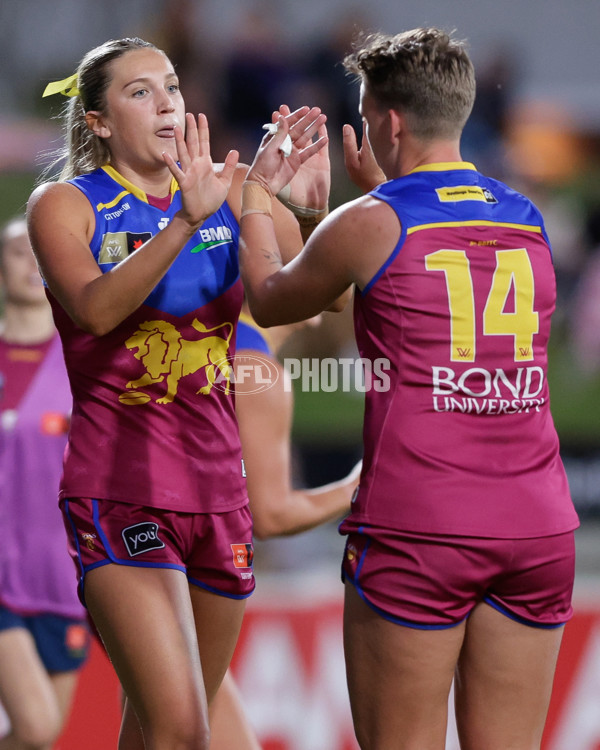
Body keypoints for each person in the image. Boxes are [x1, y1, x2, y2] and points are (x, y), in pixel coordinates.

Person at [238, 27, 579, 750]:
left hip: (421, 528)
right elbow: (435, 253)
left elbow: (270, 300)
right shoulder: (526, 216)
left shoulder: (368, 223)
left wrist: (258, 198)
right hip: (537, 528)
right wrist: (375, 200)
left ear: (389, 122)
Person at [26, 37, 330, 750]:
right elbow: (96, 310)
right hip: (121, 491)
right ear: (97, 121)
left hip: (220, 498)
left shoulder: (232, 191)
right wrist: (186, 220)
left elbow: (323, 303)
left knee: (158, 730)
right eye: (140, 91)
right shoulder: (65, 205)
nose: (167, 102)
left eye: (171, 86)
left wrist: (307, 214)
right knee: (184, 732)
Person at [208, 306, 362, 750]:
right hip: (174, 565)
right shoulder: (257, 371)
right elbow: (271, 514)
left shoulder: (207, 337)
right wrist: (360, 485)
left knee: (160, 718)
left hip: (128, 548)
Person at [0, 217, 89, 750]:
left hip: (64, 578)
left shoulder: (87, 364)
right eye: (17, 253)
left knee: (44, 739)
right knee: (35, 726)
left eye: (40, 253)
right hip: (2, 578)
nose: (31, 266)